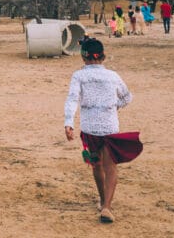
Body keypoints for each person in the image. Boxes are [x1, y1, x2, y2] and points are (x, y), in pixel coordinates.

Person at [64, 38, 142, 224]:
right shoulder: (113, 76)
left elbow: (72, 99)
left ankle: (101, 199)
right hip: (110, 126)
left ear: (83, 58)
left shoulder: (79, 76)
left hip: (90, 128)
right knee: (110, 167)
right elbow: (127, 97)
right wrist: (114, 106)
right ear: (103, 56)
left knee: (96, 164)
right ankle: (107, 205)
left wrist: (69, 123)